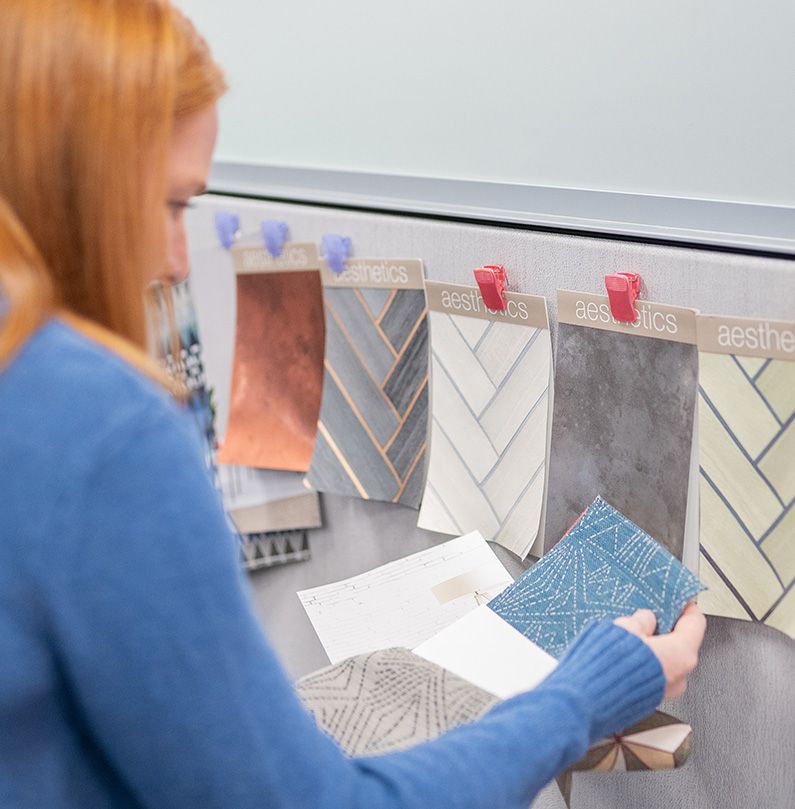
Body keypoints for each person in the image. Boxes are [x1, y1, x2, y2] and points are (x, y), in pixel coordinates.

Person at [0, 2, 706, 808]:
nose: (172, 257)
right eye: (168, 204)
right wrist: (581, 697)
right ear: (65, 183)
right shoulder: (100, 430)